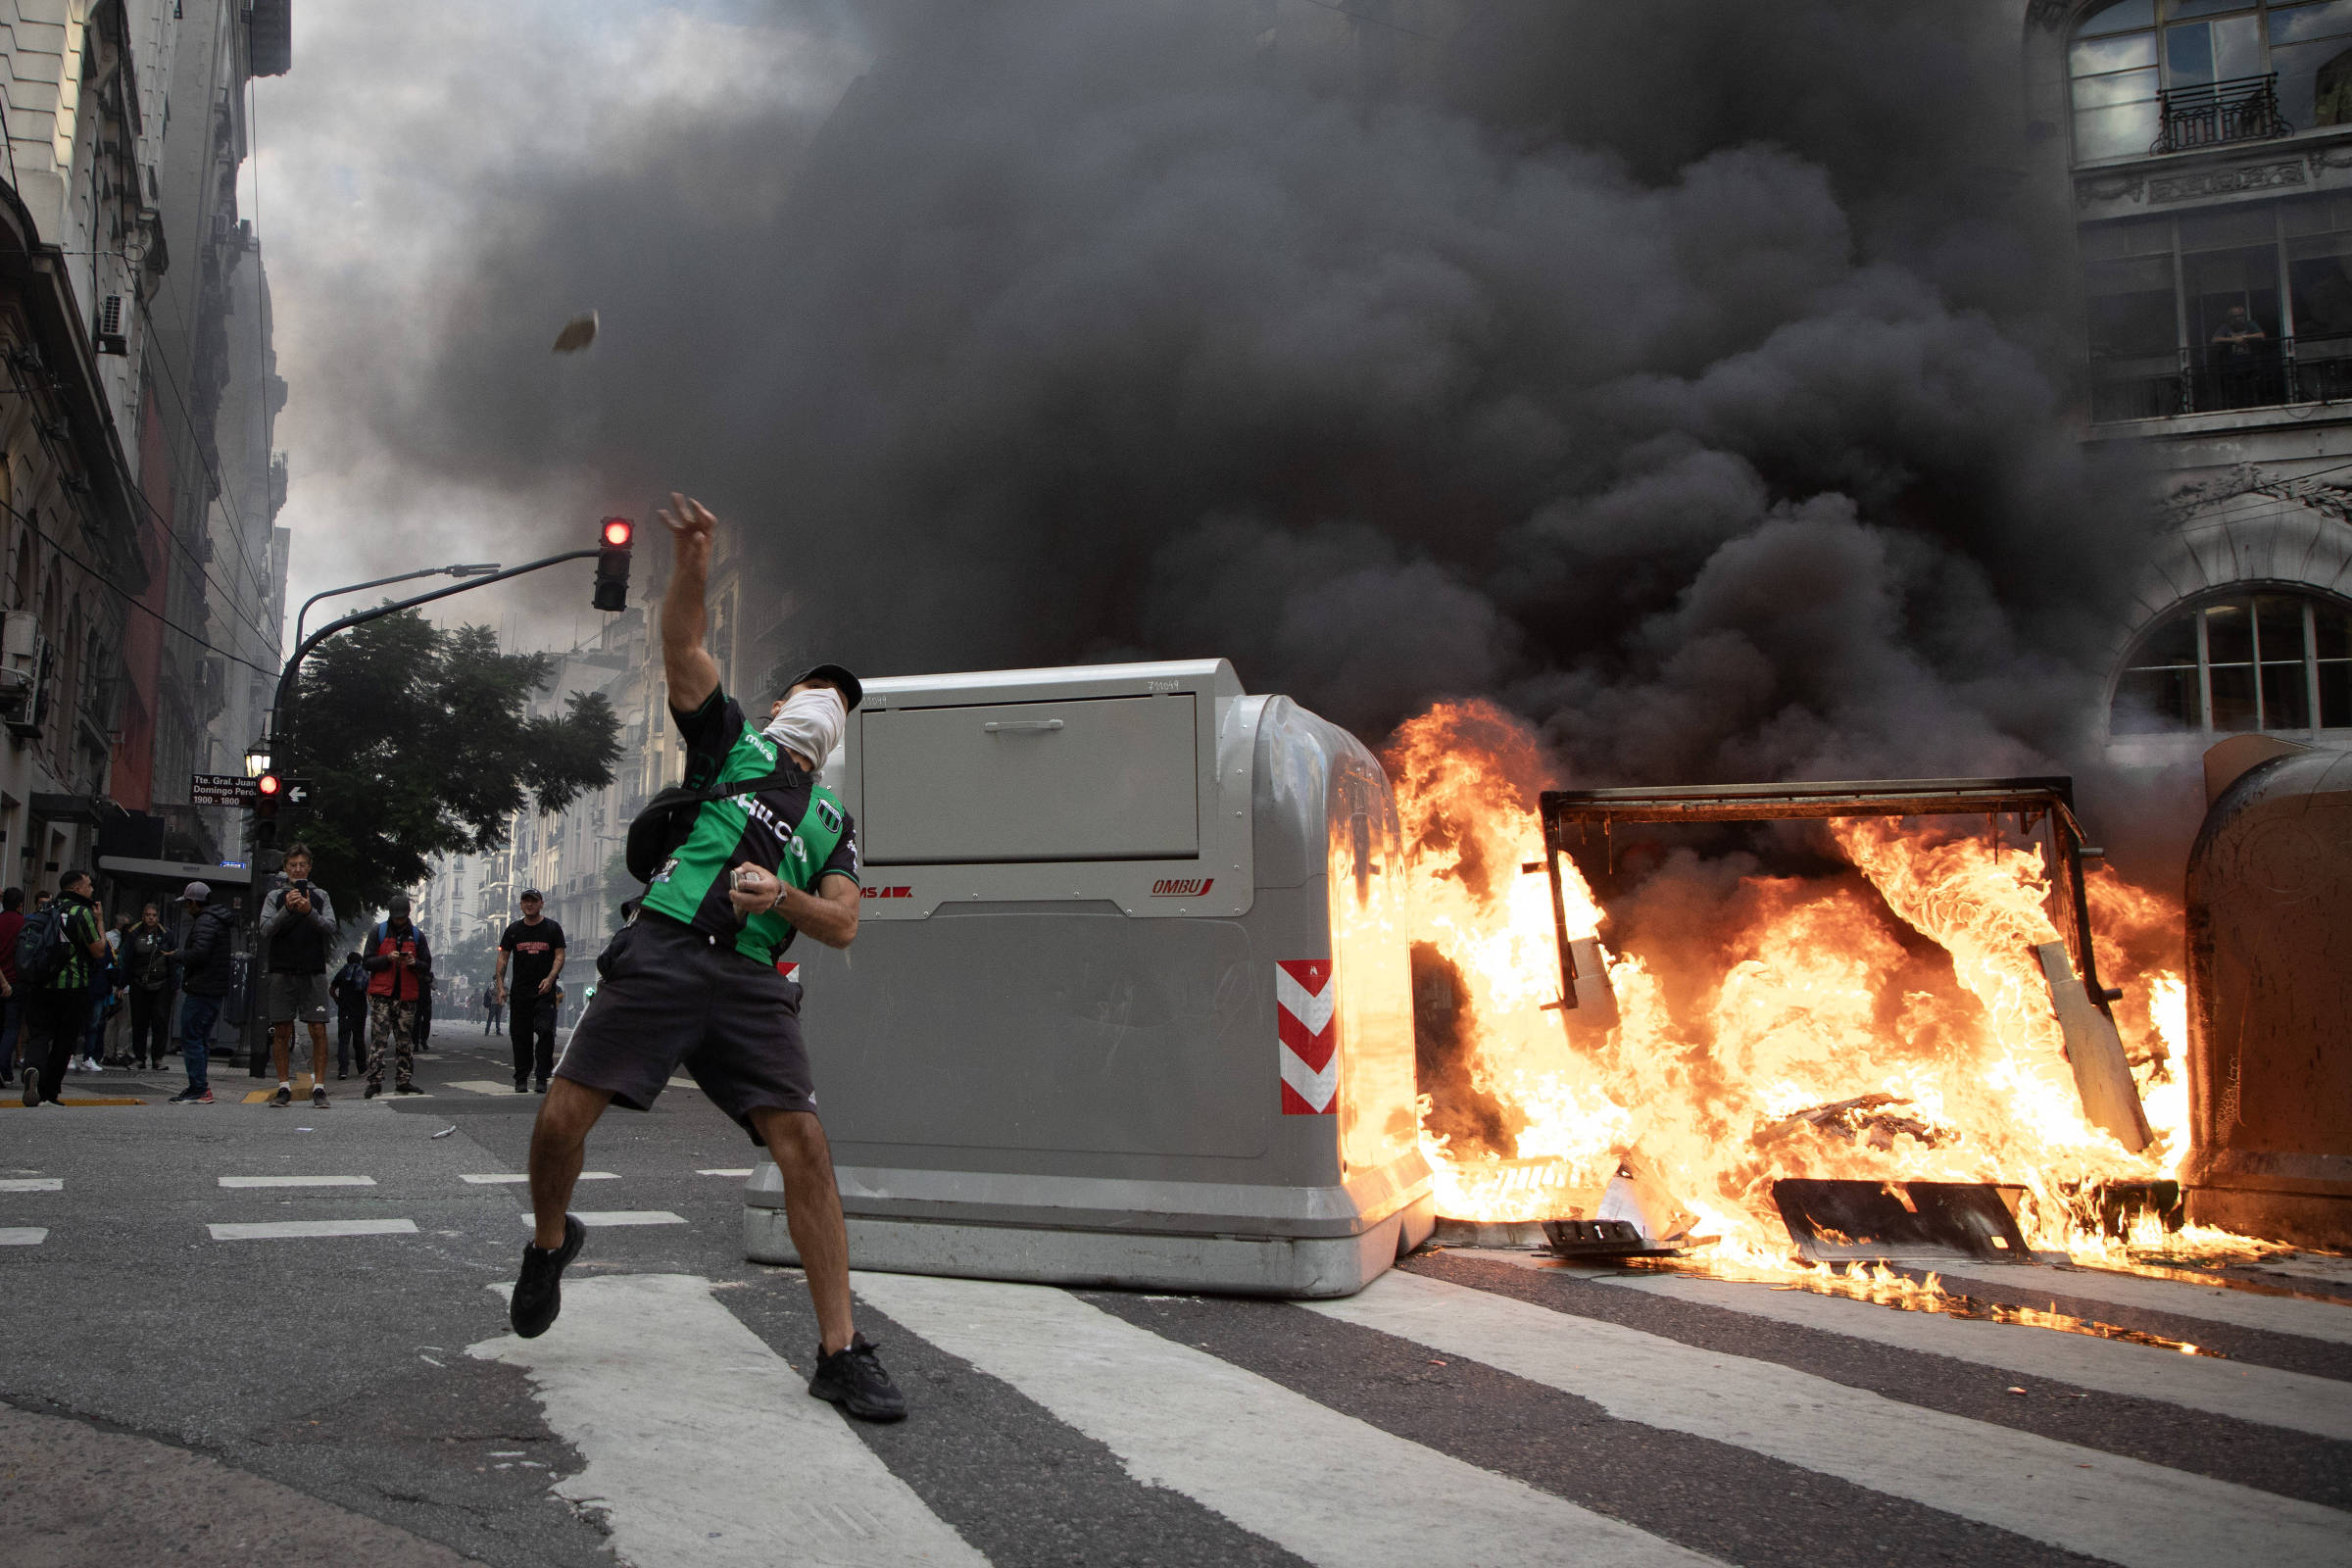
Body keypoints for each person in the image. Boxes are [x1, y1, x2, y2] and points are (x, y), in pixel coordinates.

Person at [510, 493, 904, 1422]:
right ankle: (550, 1243)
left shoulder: (835, 821)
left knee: (805, 1146)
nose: (829, 701)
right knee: (561, 1119)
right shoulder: (733, 744)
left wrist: (785, 899)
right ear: (780, 706)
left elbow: (844, 924)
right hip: (664, 950)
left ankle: (841, 1350)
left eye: (842, 701)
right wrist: (691, 565)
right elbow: (683, 647)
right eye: (816, 689)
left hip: (751, 986)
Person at [260, 845, 338, 1109]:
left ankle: (319, 1088)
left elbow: (330, 927)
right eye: (293, 865)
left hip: (313, 970)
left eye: (302, 864)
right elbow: (265, 929)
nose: (297, 869)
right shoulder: (274, 896)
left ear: (310, 867)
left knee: (318, 1029)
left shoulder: (321, 896)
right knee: (281, 1029)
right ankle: (283, 1087)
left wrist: (309, 911)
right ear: (285, 868)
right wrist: (287, 909)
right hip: (281, 970)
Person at [20, 872, 108, 1106]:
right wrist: (100, 921)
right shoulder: (82, 912)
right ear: (77, 889)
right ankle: (49, 1092)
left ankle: (32, 1068)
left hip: (41, 984)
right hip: (72, 987)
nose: (91, 890)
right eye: (89, 885)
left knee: (39, 1035)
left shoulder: (46, 909)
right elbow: (98, 950)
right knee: (64, 1040)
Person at [361, 895, 432, 1099]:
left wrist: (414, 963)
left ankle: (403, 1081)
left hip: (407, 997)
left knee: (405, 1041)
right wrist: (386, 958)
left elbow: (427, 965)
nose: (399, 921)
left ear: (408, 915)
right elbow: (367, 962)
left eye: (402, 917)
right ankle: (375, 1081)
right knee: (379, 1041)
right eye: (396, 917)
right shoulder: (378, 932)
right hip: (382, 995)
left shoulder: (417, 936)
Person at [167, 883, 232, 1104]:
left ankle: (198, 1087)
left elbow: (200, 954)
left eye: (187, 904)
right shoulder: (217, 921)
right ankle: (199, 1086)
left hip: (202, 988)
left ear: (193, 902)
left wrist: (178, 955)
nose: (187, 909)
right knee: (200, 1038)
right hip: (212, 989)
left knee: (192, 1038)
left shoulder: (205, 922)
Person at [494, 891, 565, 1094]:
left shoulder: (552, 928)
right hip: (520, 993)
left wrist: (550, 978)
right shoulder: (513, 930)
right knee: (520, 1036)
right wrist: (501, 987)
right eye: (525, 901)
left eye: (533, 901)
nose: (529, 904)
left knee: (546, 1033)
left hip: (545, 992)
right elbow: (503, 958)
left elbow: (560, 956)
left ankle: (542, 1077)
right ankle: (521, 1078)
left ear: (541, 904)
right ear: (521, 905)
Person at [123, 904, 175, 1070]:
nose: (151, 918)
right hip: (139, 982)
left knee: (160, 1021)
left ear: (158, 917)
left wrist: (175, 984)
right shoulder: (134, 933)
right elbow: (126, 959)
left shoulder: (166, 935)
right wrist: (121, 983)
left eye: (154, 915)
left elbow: (173, 960)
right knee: (139, 1022)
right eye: (148, 915)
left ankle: (158, 1058)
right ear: (143, 916)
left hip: (161, 983)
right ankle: (139, 1057)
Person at [329, 950, 369, 1080]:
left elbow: (331, 990)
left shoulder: (342, 972)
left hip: (344, 1011)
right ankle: (362, 1069)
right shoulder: (363, 973)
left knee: (343, 1041)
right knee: (359, 1040)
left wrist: (338, 1000)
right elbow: (369, 992)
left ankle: (343, 1071)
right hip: (360, 1011)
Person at [0, 888, 24, 1080]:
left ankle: (5, 1070)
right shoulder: (22, 923)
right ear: (20, 905)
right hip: (14, 980)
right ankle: (2, 1066)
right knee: (11, 1027)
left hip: (3, 978)